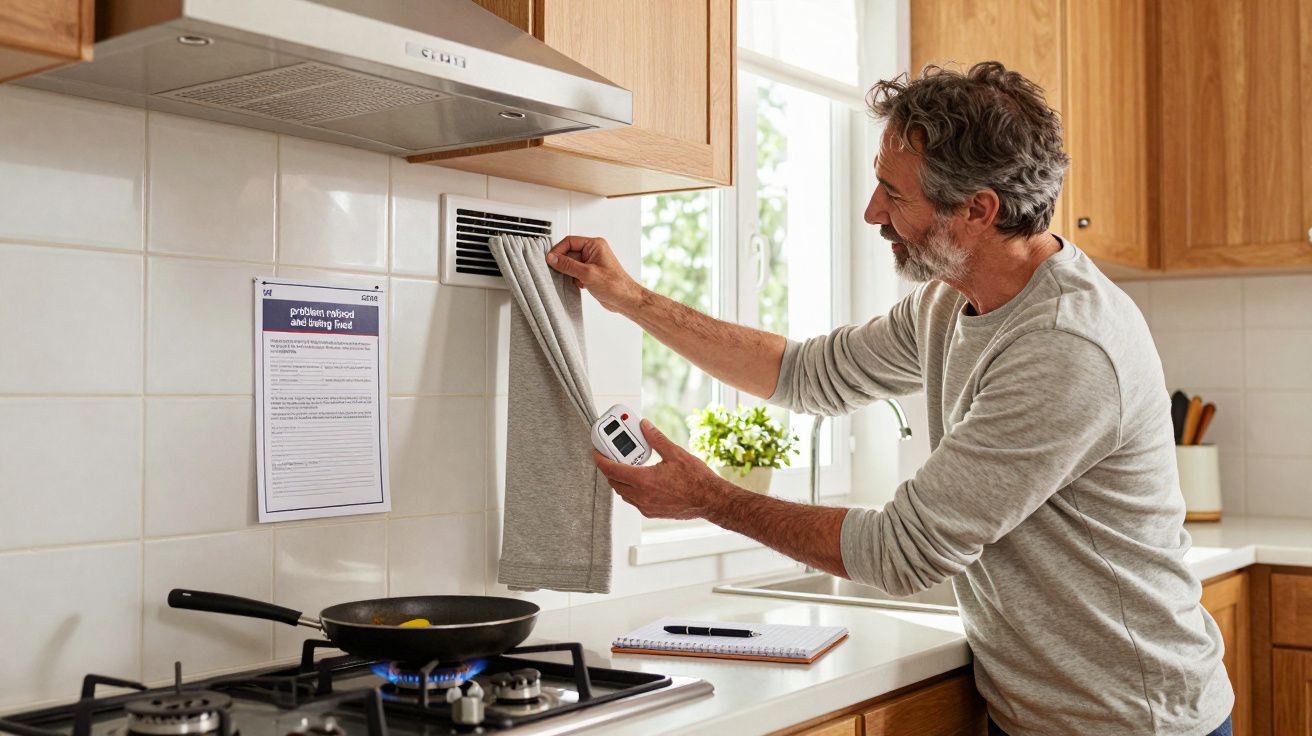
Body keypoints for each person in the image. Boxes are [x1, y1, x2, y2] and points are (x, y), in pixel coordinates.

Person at [545, 62, 1232, 736]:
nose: (873, 211)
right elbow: (809, 374)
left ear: (977, 210)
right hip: (1037, 712)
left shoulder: (1067, 346)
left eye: (892, 193)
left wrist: (712, 497)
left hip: (1131, 722)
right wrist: (630, 299)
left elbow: (906, 551)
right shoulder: (947, 303)